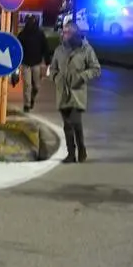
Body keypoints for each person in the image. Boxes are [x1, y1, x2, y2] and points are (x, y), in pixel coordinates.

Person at [48, 22, 100, 163]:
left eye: (67, 32)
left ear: (74, 34)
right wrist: (56, 78)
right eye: (63, 32)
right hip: (62, 93)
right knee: (67, 125)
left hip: (77, 93)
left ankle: (81, 149)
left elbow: (96, 68)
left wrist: (82, 77)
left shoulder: (86, 50)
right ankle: (71, 153)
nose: (64, 34)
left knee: (75, 122)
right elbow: (52, 69)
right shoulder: (59, 50)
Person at [17, 15, 49, 113]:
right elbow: (17, 48)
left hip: (36, 63)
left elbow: (45, 47)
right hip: (26, 63)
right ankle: (27, 104)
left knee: (37, 86)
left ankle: (32, 98)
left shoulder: (40, 34)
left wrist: (47, 61)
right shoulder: (23, 34)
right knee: (27, 84)